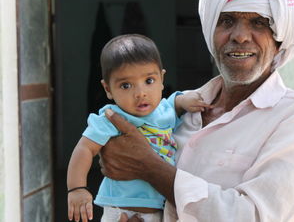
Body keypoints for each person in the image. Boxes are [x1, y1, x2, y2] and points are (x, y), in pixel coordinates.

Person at [100, 0, 294, 222]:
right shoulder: (177, 108)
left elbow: (252, 216)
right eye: (227, 20)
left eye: (258, 22)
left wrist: (150, 168)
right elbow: (126, 176)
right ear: (211, 31)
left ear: (279, 40)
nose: (241, 36)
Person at [67, 34, 211, 222]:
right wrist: (77, 188)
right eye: (126, 85)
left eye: (149, 81)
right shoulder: (111, 118)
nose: (140, 93)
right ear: (108, 89)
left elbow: (174, 102)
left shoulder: (164, 110)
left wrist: (185, 100)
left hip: (161, 212)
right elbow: (85, 148)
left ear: (161, 79)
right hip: (121, 211)